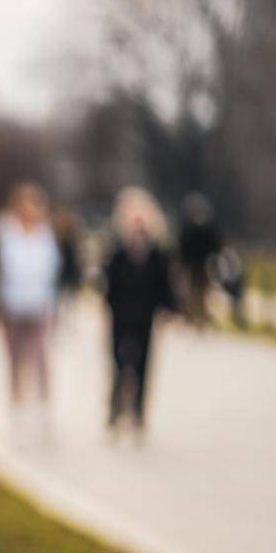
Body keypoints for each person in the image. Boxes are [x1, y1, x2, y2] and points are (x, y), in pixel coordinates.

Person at [0, 182, 76, 446]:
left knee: (41, 359)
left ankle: (43, 414)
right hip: (11, 306)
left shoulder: (49, 234)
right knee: (15, 362)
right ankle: (17, 414)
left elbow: (62, 267)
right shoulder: (3, 232)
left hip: (40, 306)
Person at [103, 187, 177, 440]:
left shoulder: (157, 255)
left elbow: (165, 286)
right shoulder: (117, 254)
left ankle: (138, 412)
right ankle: (115, 406)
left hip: (145, 317)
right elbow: (108, 286)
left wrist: (169, 311)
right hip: (121, 317)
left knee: (144, 365)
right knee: (119, 363)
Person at [177, 193, 222, 327]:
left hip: (203, 265)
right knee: (190, 291)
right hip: (191, 265)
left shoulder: (207, 229)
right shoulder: (188, 229)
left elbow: (215, 246)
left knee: (202, 292)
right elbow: (182, 247)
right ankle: (191, 315)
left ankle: (200, 316)